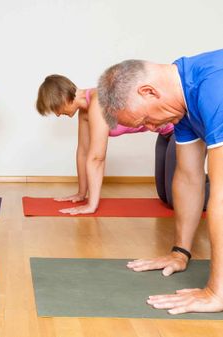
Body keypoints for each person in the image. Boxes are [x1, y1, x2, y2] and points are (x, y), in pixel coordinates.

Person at [98, 49, 223, 314]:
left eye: (145, 120)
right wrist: (180, 251)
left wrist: (216, 292)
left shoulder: (215, 87)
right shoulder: (183, 100)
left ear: (148, 91)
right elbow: (189, 177)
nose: (153, 128)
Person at [36, 75, 179, 215]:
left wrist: (91, 205)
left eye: (55, 109)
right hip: (164, 135)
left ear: (62, 98)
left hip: (180, 130)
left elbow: (97, 157)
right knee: (164, 197)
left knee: (175, 201)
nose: (58, 114)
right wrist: (81, 193)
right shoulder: (85, 109)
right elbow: (83, 152)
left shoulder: (98, 102)